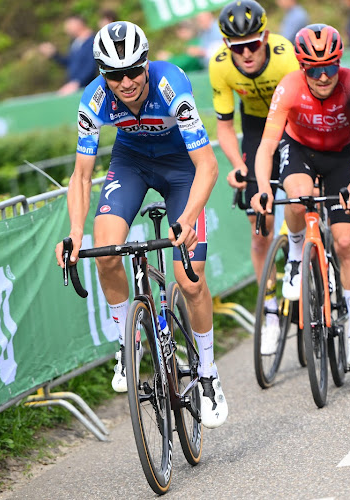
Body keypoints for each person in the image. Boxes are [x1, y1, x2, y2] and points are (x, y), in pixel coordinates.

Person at [54, 21, 228, 428]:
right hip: (130, 164)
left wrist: (185, 219)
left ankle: (207, 372)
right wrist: (75, 234)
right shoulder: (93, 99)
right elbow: (81, 176)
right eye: (115, 75)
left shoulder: (171, 86)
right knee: (106, 252)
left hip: (182, 169)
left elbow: (208, 165)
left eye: (134, 70)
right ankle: (126, 340)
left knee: (190, 280)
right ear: (102, 75)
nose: (127, 82)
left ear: (146, 63)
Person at [250, 24, 350, 368]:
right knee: (297, 196)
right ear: (302, 67)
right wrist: (263, 187)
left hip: (341, 155)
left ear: (339, 63)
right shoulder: (289, 87)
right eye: (314, 70)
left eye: (330, 68)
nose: (323, 77)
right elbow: (266, 145)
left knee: (346, 242)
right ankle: (294, 256)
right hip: (300, 150)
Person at [209, 0, 299, 355]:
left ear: (265, 36)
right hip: (256, 127)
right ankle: (272, 311)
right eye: (237, 46)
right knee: (259, 230)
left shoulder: (284, 55)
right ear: (226, 45)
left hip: (293, 122)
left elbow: (302, 106)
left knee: (298, 195)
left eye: (252, 44)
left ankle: (302, 258)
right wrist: (239, 165)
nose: (246, 53)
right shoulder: (219, 67)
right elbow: (225, 126)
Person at [39, 15, 99, 96]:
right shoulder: (74, 42)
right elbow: (70, 62)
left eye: (69, 25)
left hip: (87, 89)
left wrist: (78, 83)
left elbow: (91, 66)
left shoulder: (93, 41)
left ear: (78, 24)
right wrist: (54, 54)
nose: (66, 29)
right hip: (74, 88)